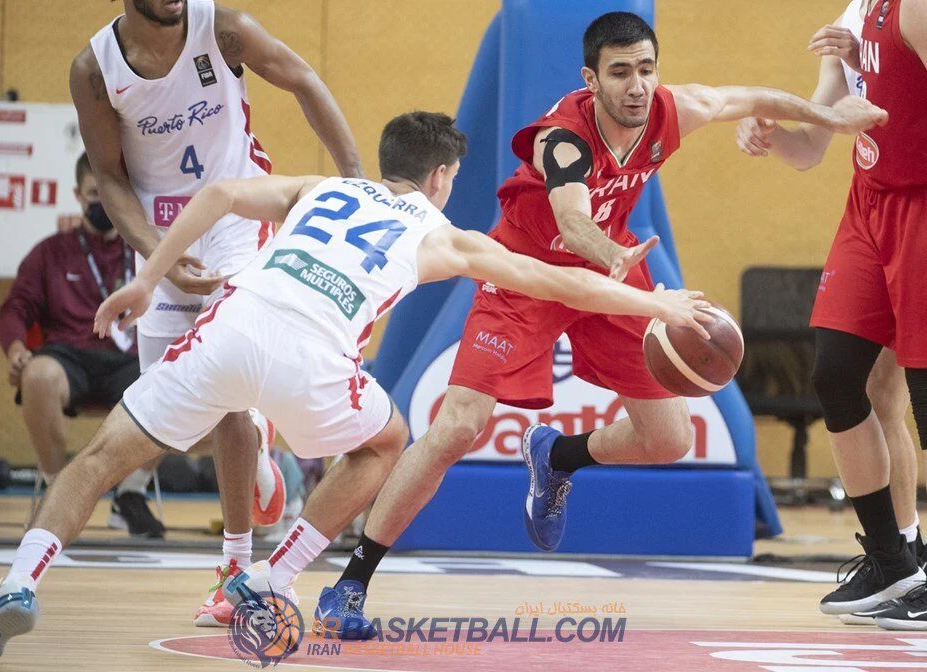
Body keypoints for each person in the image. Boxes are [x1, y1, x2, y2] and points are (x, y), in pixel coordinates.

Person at [0, 111, 718, 662]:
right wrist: (656, 301)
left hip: (232, 324)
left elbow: (216, 197)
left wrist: (148, 279)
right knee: (387, 442)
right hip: (312, 359)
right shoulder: (440, 231)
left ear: (385, 161)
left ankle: (19, 582)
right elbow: (556, 278)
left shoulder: (320, 187)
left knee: (97, 460)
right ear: (442, 176)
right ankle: (268, 577)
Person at [277, 11, 889, 639]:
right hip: (527, 272)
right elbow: (571, 222)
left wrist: (831, 117)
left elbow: (749, 97)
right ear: (590, 80)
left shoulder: (672, 110)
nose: (636, 85)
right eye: (619, 72)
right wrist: (610, 260)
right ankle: (351, 582)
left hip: (613, 273)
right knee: (458, 425)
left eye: (646, 70)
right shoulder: (561, 139)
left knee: (669, 439)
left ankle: (558, 454)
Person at [70, 0, 363, 626]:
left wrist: (357, 182)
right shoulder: (94, 69)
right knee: (171, 414)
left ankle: (234, 568)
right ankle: (257, 452)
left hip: (238, 216)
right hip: (163, 235)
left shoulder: (223, 27)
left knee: (225, 384)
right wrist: (156, 258)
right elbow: (109, 175)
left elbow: (305, 79)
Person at [735, 0, 926, 625]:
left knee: (918, 395)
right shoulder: (858, 12)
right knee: (837, 375)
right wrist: (774, 133)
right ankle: (891, 562)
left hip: (921, 203)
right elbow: (811, 148)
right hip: (869, 203)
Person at [0, 152, 163, 538]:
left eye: (109, 193)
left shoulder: (145, 251)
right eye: (93, 193)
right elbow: (14, 308)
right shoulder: (50, 252)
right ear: (77, 194)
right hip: (68, 356)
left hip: (127, 359)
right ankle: (59, 491)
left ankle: (131, 496)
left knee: (167, 379)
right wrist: (16, 348)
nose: (102, 203)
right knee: (37, 375)